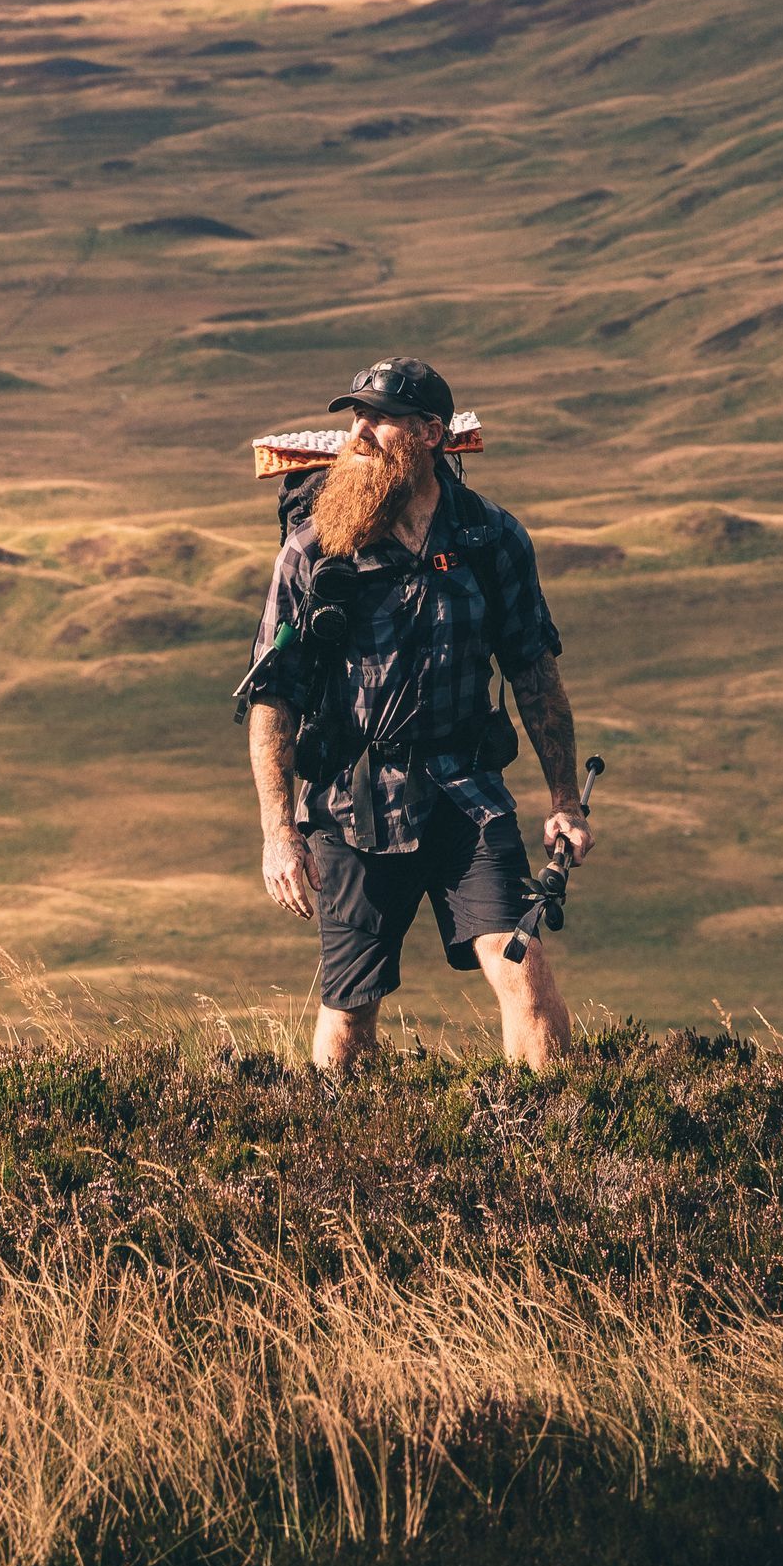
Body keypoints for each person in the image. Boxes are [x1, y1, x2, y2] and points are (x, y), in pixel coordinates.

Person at [243, 357, 592, 1071]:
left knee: (522, 967)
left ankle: (555, 1124)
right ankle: (342, 1133)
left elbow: (534, 673)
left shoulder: (490, 538)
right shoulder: (315, 549)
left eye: (381, 418)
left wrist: (565, 800)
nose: (360, 433)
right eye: (357, 416)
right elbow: (274, 699)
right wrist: (279, 832)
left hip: (468, 794)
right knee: (351, 1007)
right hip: (352, 808)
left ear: (432, 434)